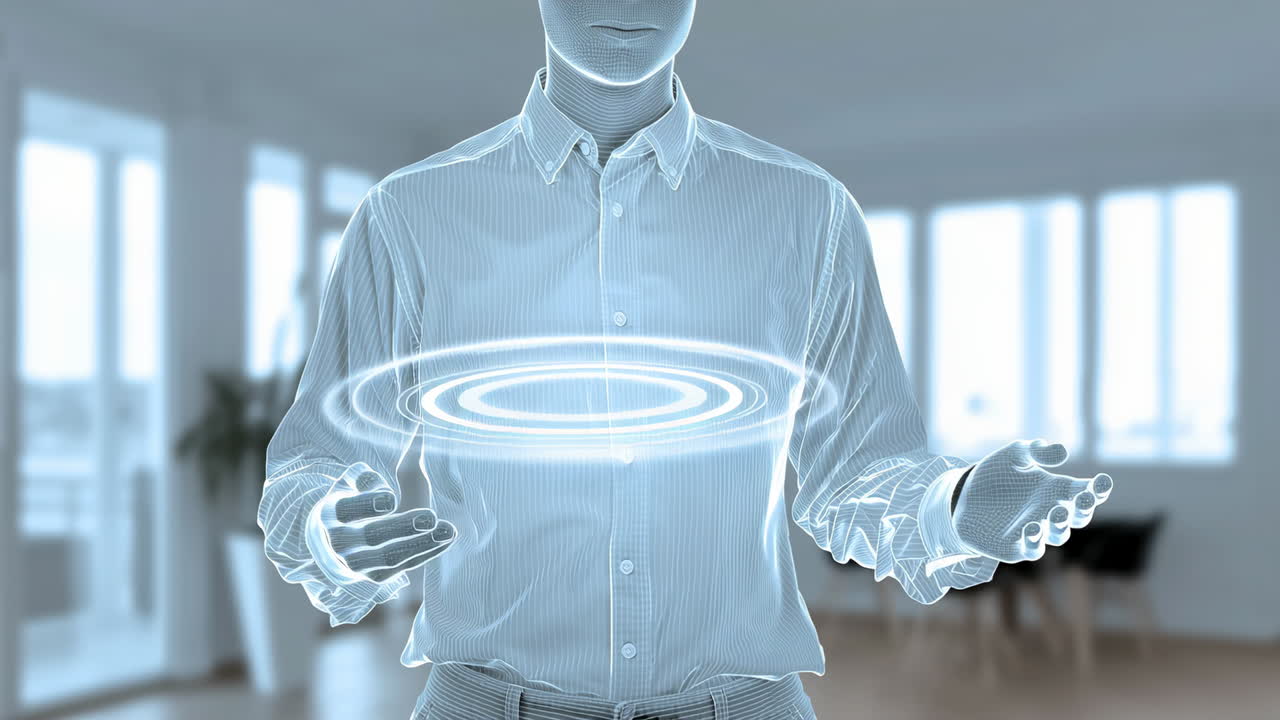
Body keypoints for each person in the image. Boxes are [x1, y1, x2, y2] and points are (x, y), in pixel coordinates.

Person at [258, 2, 1114, 718]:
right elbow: (314, 463)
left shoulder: (807, 212)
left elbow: (862, 469)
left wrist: (954, 510)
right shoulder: (409, 216)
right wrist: (327, 531)